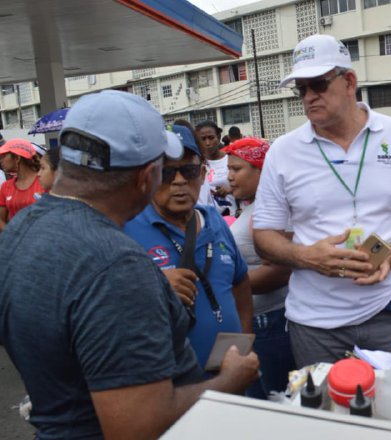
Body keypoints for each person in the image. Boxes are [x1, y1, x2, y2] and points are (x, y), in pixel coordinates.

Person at [0, 90, 259, 439]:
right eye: (164, 170)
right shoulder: (116, 265)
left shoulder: (19, 231)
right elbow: (138, 425)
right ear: (144, 178)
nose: (178, 181)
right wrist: (230, 379)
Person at [252, 34, 391, 366]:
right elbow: (264, 237)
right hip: (315, 323)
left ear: (349, 81)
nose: (309, 97)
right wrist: (306, 256)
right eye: (301, 89)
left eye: (318, 85)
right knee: (324, 412)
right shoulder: (283, 151)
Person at [124, 124, 254, 370]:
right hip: (170, 387)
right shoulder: (126, 228)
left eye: (189, 170)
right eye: (166, 173)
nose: (180, 181)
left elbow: (240, 284)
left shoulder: (214, 220)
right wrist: (152, 284)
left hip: (229, 376)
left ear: (203, 173)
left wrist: (244, 344)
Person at [225, 136, 296, 395]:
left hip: (270, 324)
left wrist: (225, 286)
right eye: (229, 169)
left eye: (237, 169)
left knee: (273, 399)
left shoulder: (270, 211)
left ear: (262, 169)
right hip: (254, 322)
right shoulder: (253, 207)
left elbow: (281, 271)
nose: (229, 176)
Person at [0, 138, 44, 230]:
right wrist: (12, 237)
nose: (1, 160)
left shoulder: (44, 182)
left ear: (17, 158)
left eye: (3, 156)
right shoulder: (5, 187)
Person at [196, 120, 236, 216]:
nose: (208, 143)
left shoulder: (231, 159)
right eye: (203, 139)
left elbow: (246, 185)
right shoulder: (196, 165)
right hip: (208, 219)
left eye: (211, 138)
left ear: (218, 137)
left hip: (233, 216)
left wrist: (229, 189)